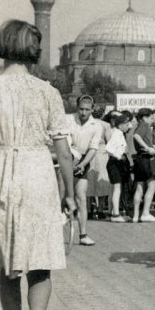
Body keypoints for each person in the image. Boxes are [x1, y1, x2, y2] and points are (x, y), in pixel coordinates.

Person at [0, 20, 77, 310]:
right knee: (40, 262)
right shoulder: (47, 92)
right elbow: (64, 153)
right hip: (37, 174)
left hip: (1, 172)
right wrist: (70, 195)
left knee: (6, 265)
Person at [65, 94, 102, 246]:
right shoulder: (68, 119)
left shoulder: (96, 125)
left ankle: (83, 235)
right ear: (77, 108)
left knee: (81, 197)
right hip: (66, 158)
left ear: (92, 109)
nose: (83, 112)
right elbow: (64, 142)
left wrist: (83, 164)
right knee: (61, 197)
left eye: (87, 109)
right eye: (81, 109)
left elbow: (93, 148)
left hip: (83, 160)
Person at [131, 108, 155, 222]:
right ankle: (145, 213)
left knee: (139, 187)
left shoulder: (140, 125)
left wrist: (151, 146)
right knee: (152, 185)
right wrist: (148, 148)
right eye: (150, 117)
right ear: (144, 117)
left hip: (139, 158)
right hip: (146, 159)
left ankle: (135, 215)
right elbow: (136, 136)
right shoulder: (145, 125)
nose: (151, 119)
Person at [106, 111, 134, 222]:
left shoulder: (119, 133)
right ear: (120, 125)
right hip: (115, 164)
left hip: (116, 163)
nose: (129, 127)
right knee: (117, 188)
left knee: (116, 188)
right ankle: (115, 215)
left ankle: (114, 212)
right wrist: (119, 156)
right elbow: (108, 148)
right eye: (126, 125)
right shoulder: (117, 134)